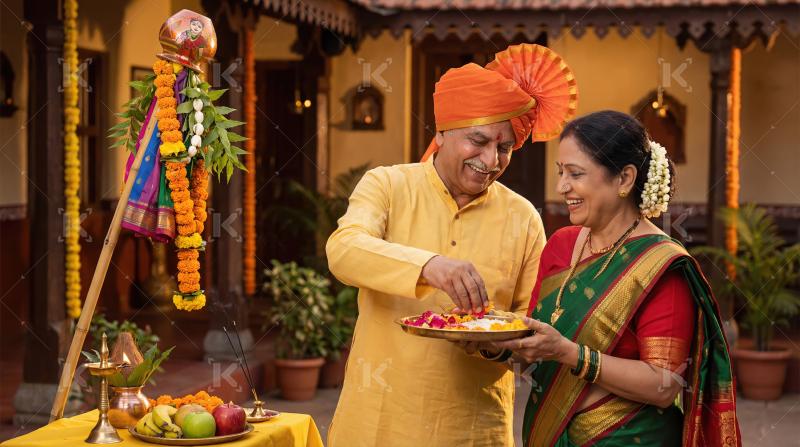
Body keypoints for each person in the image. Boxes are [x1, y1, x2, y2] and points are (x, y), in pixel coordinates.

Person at [325, 43, 577, 446]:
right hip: (378, 423)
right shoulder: (388, 185)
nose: (491, 160)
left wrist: (494, 346)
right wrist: (430, 266)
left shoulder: (524, 217)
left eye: (505, 147)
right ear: (441, 132)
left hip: (474, 429)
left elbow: (530, 321)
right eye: (478, 140)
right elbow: (343, 251)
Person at [492, 110, 740, 446]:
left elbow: (664, 386)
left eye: (575, 173)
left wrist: (570, 353)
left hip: (631, 438)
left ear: (624, 179)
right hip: (550, 433)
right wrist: (491, 342)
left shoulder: (661, 266)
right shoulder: (561, 246)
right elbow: (537, 346)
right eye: (560, 172)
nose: (561, 187)